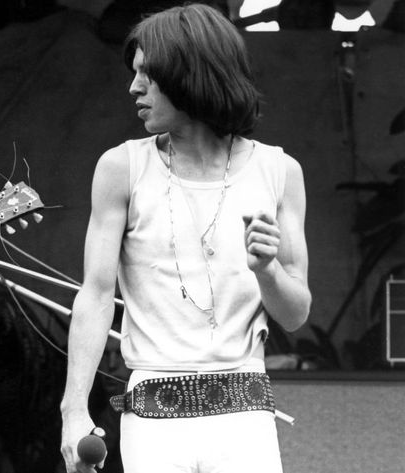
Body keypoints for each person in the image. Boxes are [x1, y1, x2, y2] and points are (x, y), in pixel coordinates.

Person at [59, 4, 311, 473]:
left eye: (147, 76)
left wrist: (268, 271)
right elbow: (95, 294)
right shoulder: (121, 167)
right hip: (153, 411)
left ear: (189, 76)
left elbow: (296, 315)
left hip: (245, 409)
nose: (133, 88)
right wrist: (73, 412)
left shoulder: (280, 171)